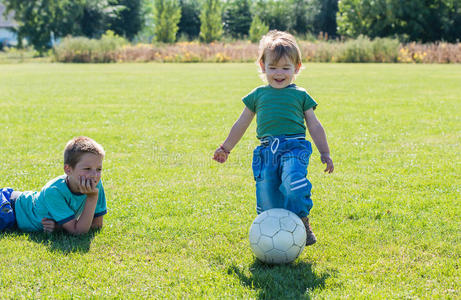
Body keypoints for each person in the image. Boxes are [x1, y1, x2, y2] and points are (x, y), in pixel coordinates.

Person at [213, 30, 334, 246]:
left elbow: (314, 125)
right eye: (273, 67)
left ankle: (302, 220)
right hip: (266, 152)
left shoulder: (301, 95)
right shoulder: (257, 95)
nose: (279, 73)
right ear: (262, 66)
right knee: (267, 197)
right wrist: (226, 147)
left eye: (286, 68)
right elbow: (241, 123)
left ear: (296, 68)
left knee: (293, 183)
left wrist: (325, 152)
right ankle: (273, 237)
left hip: (294, 148)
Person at [0, 136, 107, 235]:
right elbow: (78, 231)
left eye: (99, 169)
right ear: (68, 170)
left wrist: (60, 227)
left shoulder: (95, 184)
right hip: (9, 207)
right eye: (87, 169)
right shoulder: (53, 191)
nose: (94, 175)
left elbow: (96, 225)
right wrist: (92, 198)